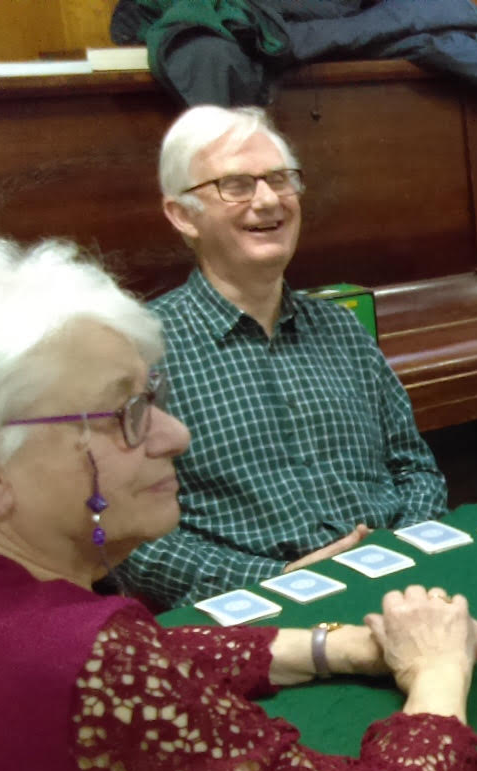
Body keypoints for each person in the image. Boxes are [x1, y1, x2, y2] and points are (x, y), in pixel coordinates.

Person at [0, 238, 477, 771]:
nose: (174, 435)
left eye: (153, 397)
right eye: (126, 415)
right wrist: (436, 668)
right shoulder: (89, 662)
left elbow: (144, 662)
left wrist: (332, 646)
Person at [114, 105, 449, 609]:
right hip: (258, 613)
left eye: (279, 179)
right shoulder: (140, 353)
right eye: (236, 185)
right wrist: (281, 579)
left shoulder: (342, 329)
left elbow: (415, 468)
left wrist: (398, 552)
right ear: (183, 214)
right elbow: (128, 538)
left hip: (399, 583)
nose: (268, 200)